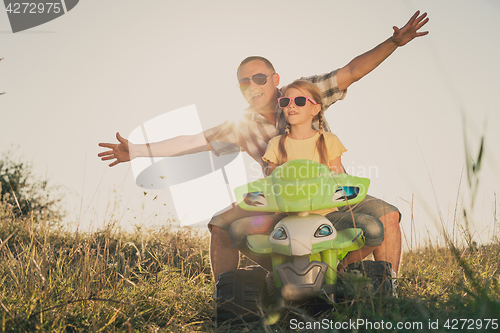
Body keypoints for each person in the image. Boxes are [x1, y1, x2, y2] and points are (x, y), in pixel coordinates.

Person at [98, 11, 430, 281]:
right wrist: (138, 150)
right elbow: (192, 141)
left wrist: (394, 42)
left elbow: (352, 71)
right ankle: (231, 297)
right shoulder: (241, 125)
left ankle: (385, 293)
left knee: (387, 217)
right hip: (278, 200)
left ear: (274, 79)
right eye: (245, 81)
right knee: (220, 225)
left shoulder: (303, 92)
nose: (252, 85)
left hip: (332, 195)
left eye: (259, 78)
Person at [227, 80, 385, 271]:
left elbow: (338, 179)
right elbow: (271, 184)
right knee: (237, 230)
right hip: (285, 217)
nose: (291, 105)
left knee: (374, 228)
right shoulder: (276, 144)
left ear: (315, 109)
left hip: (326, 216)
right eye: (285, 102)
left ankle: (342, 269)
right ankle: (274, 271)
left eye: (300, 100)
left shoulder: (329, 140)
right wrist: (252, 197)